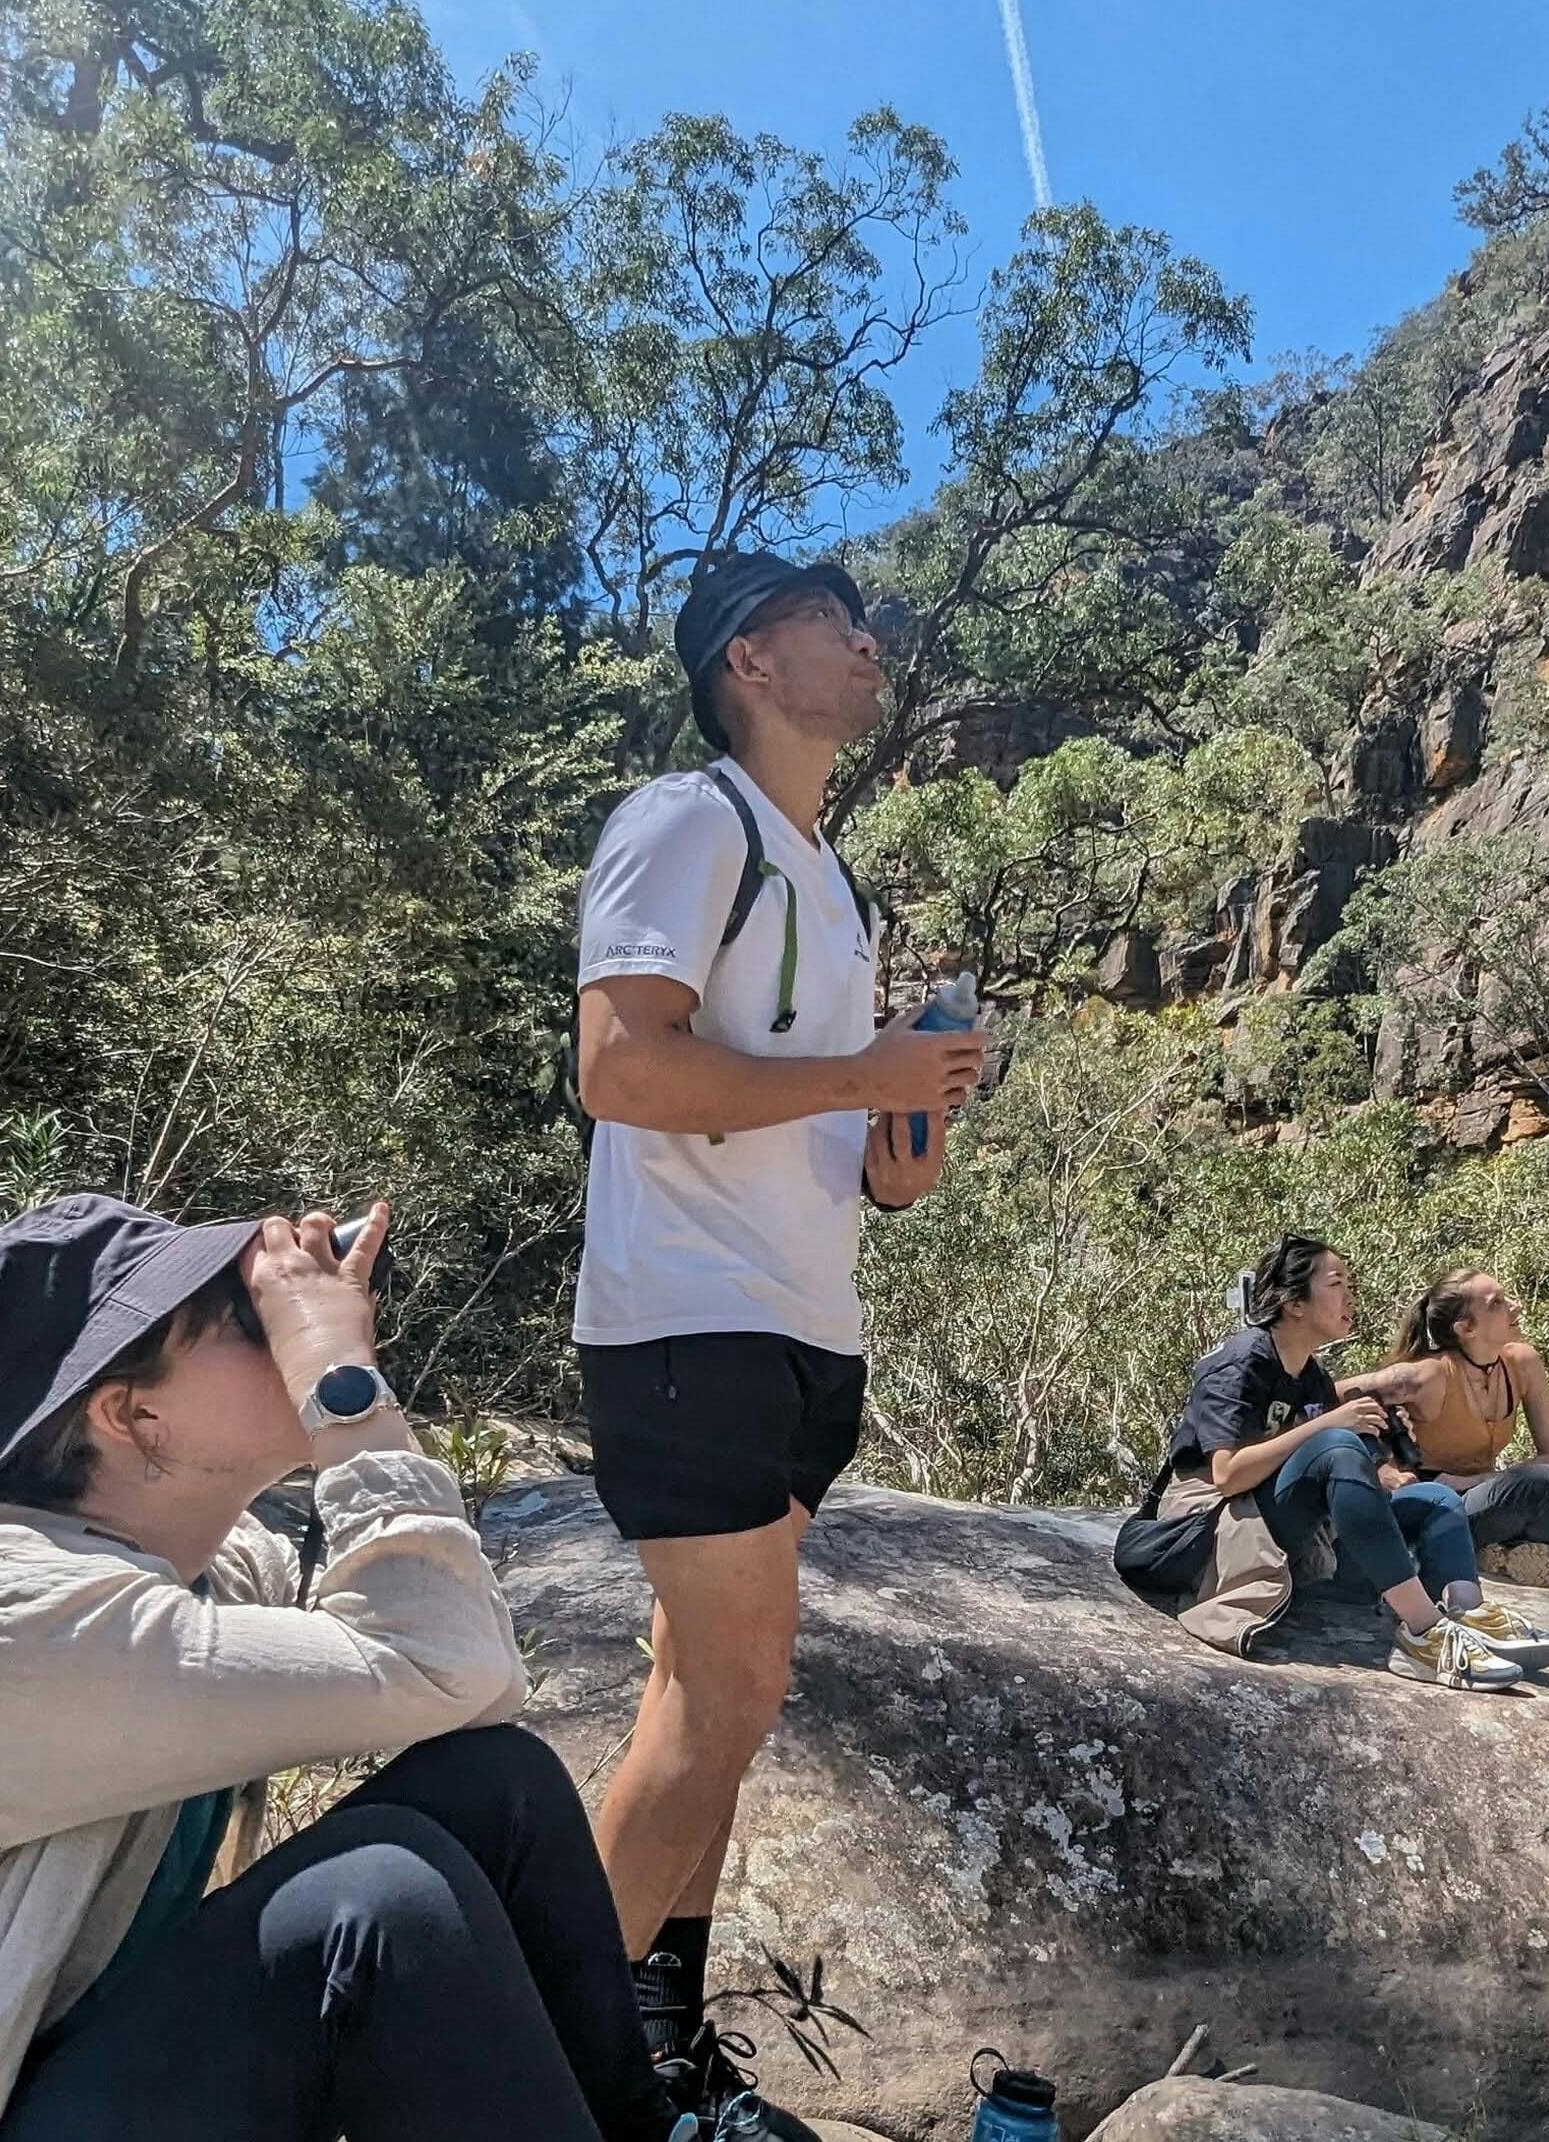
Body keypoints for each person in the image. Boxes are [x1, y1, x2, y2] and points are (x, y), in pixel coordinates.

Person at [0, 1193, 688, 2142]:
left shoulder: (197, 1568)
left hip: (58, 2083)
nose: (283, 1331)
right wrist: (339, 1378)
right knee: (373, 1899)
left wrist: (322, 1343)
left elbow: (457, 1669)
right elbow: (445, 1661)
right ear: (133, 1417)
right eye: (241, 1320)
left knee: (496, 1787)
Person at [571, 549, 983, 2141]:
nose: (870, 644)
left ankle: (658, 2044)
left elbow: (863, 1160)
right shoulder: (692, 822)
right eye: (836, 624)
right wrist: (861, 1071)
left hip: (806, 1330)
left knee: (707, 1696)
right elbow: (622, 1066)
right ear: (749, 659)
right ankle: (541, 2071)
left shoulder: (832, 879)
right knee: (728, 1697)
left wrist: (905, 1119)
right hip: (692, 1320)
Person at [1151, 1236, 1549, 1690]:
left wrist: (1382, 1463)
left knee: (1433, 1498)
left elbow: (1327, 1470)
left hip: (1291, 1533)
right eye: (1337, 1284)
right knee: (1336, 1444)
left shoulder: (1311, 1376)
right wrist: (1331, 1426)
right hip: (1215, 1533)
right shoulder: (1241, 1362)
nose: (1350, 1296)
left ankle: (1467, 1613)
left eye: (1349, 1284)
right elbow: (1228, 1475)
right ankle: (1423, 1634)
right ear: (1294, 1303)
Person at [1339, 1270, 1549, 1591]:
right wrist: (1382, 1469)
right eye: (1497, 1303)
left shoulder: (1522, 1362)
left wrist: (1475, 1481)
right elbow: (1324, 1398)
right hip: (1440, 1505)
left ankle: (1519, 1555)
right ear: (1465, 1328)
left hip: (1489, 1496)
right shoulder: (1426, 1376)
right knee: (1542, 1483)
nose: (1515, 1306)